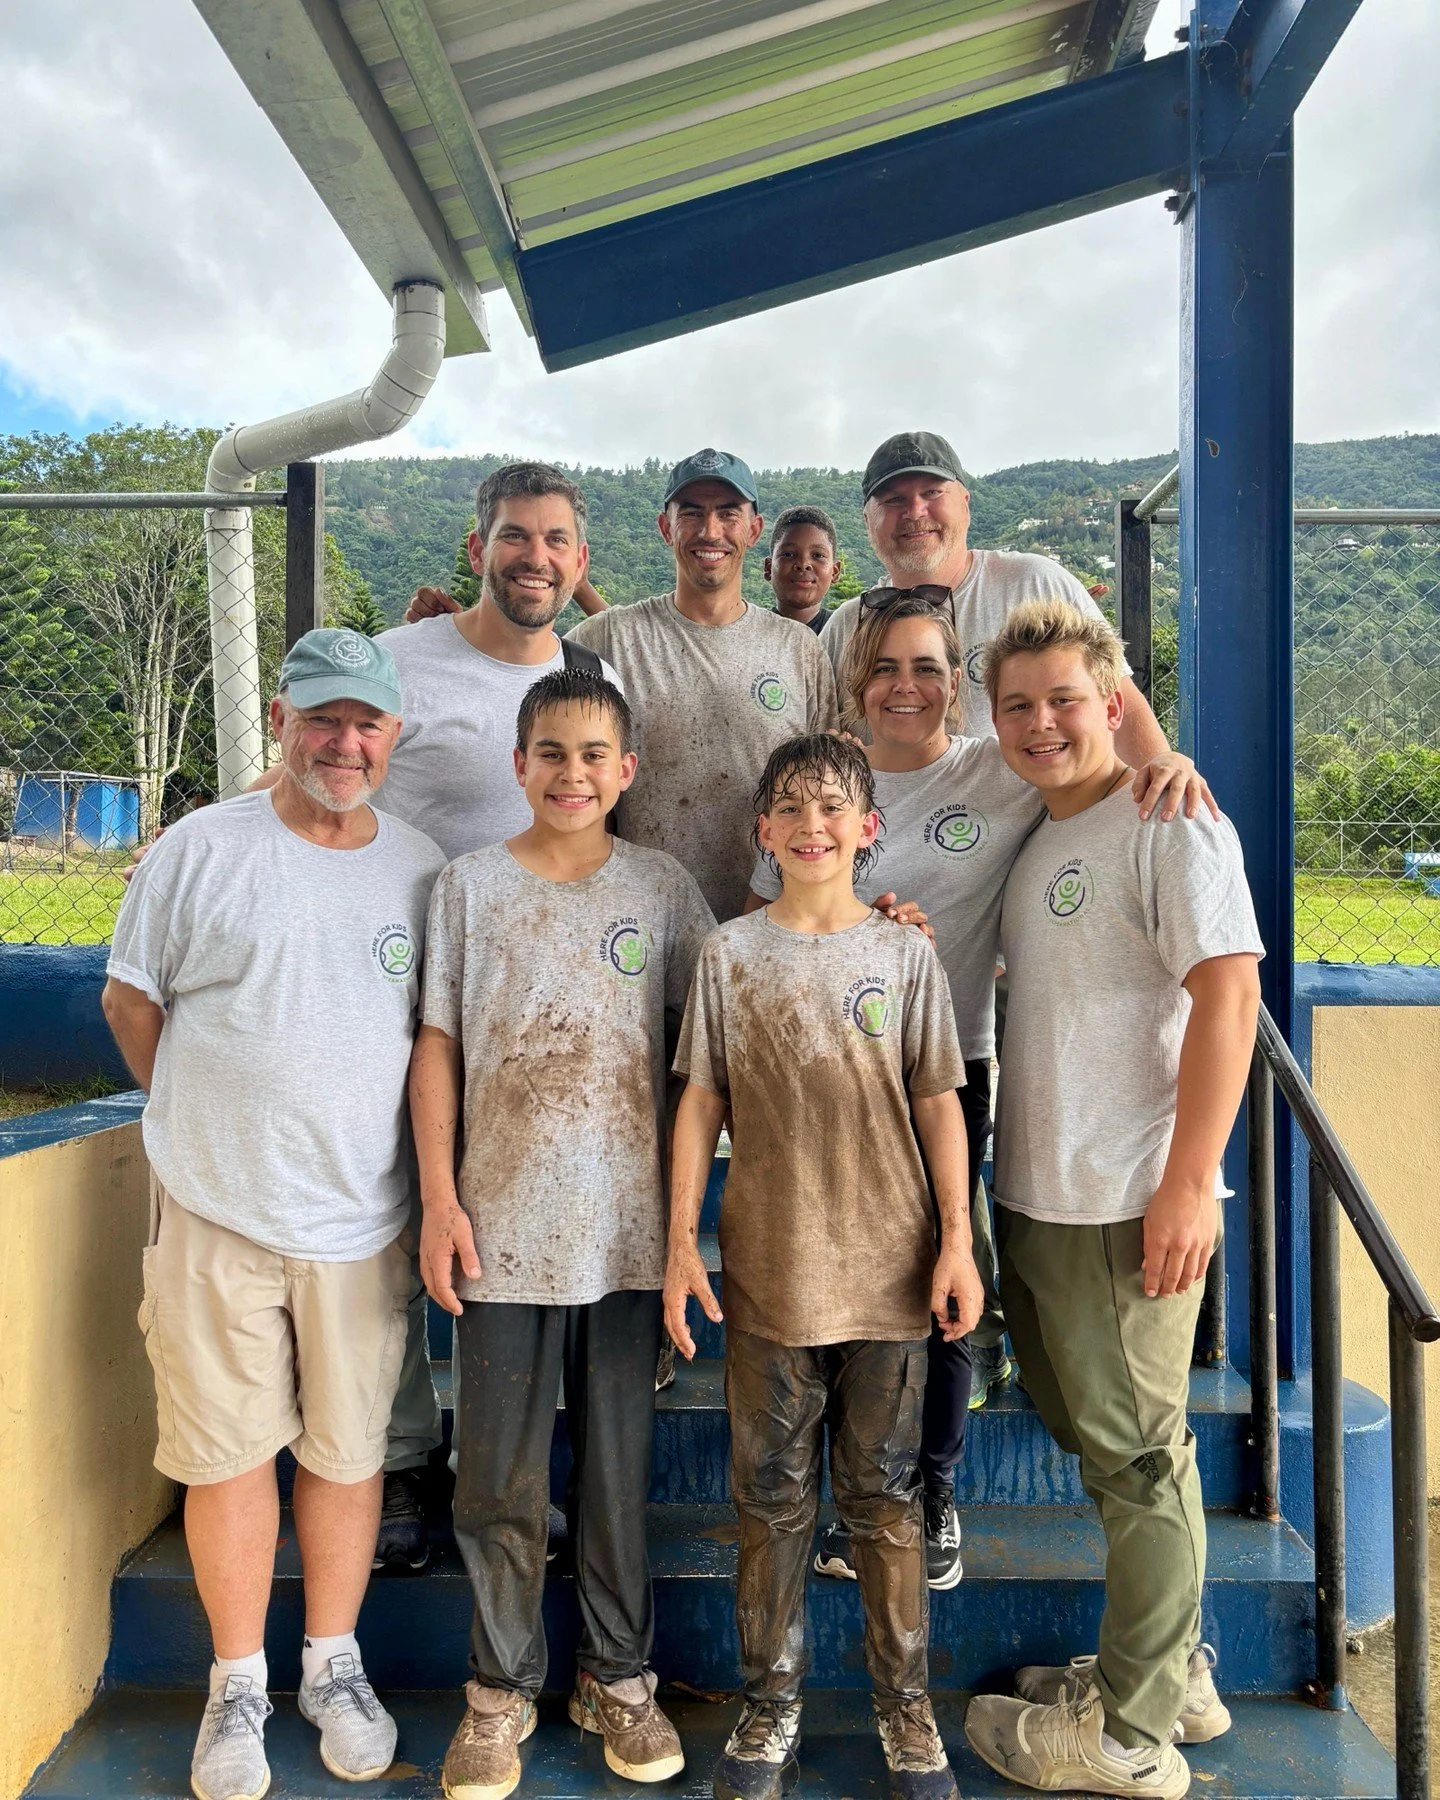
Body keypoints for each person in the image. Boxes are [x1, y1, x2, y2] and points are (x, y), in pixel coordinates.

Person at [100, 629, 447, 1800]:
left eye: (368, 724)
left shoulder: (422, 866)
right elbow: (130, 1002)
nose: (345, 744)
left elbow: (430, 1046)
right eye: (323, 720)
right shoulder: (201, 849)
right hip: (215, 1213)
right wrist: (207, 1123)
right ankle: (236, 1683)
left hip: (362, 1222)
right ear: (284, 724)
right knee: (229, 1455)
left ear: (394, 735)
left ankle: (330, 1667)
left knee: (346, 1457)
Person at [962, 600, 1262, 1800]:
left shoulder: (1168, 823)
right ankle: (1170, 1671)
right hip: (1039, 1192)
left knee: (1141, 1462)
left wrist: (1191, 1181)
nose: (1043, 724)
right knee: (1103, 1448)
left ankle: (1132, 1741)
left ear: (1114, 702)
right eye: (1020, 705)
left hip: (1126, 1200)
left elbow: (1228, 995)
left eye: (1066, 700)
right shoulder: (1047, 834)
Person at [411, 668, 714, 1800]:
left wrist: (684, 1230)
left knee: (615, 1472)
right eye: (551, 752)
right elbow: (434, 1046)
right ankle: (497, 1694)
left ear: (627, 771)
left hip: (630, 1240)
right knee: (495, 1477)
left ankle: (616, 1678)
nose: (573, 774)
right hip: (498, 1232)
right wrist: (441, 1200)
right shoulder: (469, 890)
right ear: (518, 764)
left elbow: (702, 1070)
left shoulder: (666, 889)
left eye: (595, 755)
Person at [666, 732, 983, 1800]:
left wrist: (956, 1237)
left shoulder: (903, 957)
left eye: (832, 808)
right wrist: (679, 1246)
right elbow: (699, 1102)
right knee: (769, 1498)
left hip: (891, 1278)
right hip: (768, 1276)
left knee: (884, 1501)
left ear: (867, 828)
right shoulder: (729, 955)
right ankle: (770, 1709)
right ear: (763, 832)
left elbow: (940, 1100)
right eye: (790, 810)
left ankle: (906, 1712)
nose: (811, 826)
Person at [746, 595, 1047, 1591]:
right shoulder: (823, 786)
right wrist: (843, 918)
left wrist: (1161, 762)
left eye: (926, 665)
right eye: (884, 666)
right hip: (823, 1083)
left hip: (946, 1064)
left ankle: (931, 1492)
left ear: (955, 677)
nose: (905, 685)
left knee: (944, 1279)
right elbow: (768, 912)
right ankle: (848, 1491)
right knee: (831, 1287)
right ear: (854, 680)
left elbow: (1095, 749)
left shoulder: (998, 772)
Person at [373, 462, 622, 1571]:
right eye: (515, 537)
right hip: (398, 988)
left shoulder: (593, 673)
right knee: (391, 1227)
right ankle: (399, 1463)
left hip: (541, 1020)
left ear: (579, 559)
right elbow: (315, 765)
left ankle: (501, 1465)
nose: (536, 558)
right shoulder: (398, 659)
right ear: (478, 549)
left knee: (513, 1244)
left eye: (556, 540)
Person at [763, 504, 842, 632]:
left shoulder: (847, 634)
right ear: (768, 568)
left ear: (835, 572)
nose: (803, 564)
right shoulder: (748, 634)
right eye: (788, 554)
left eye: (817, 555)